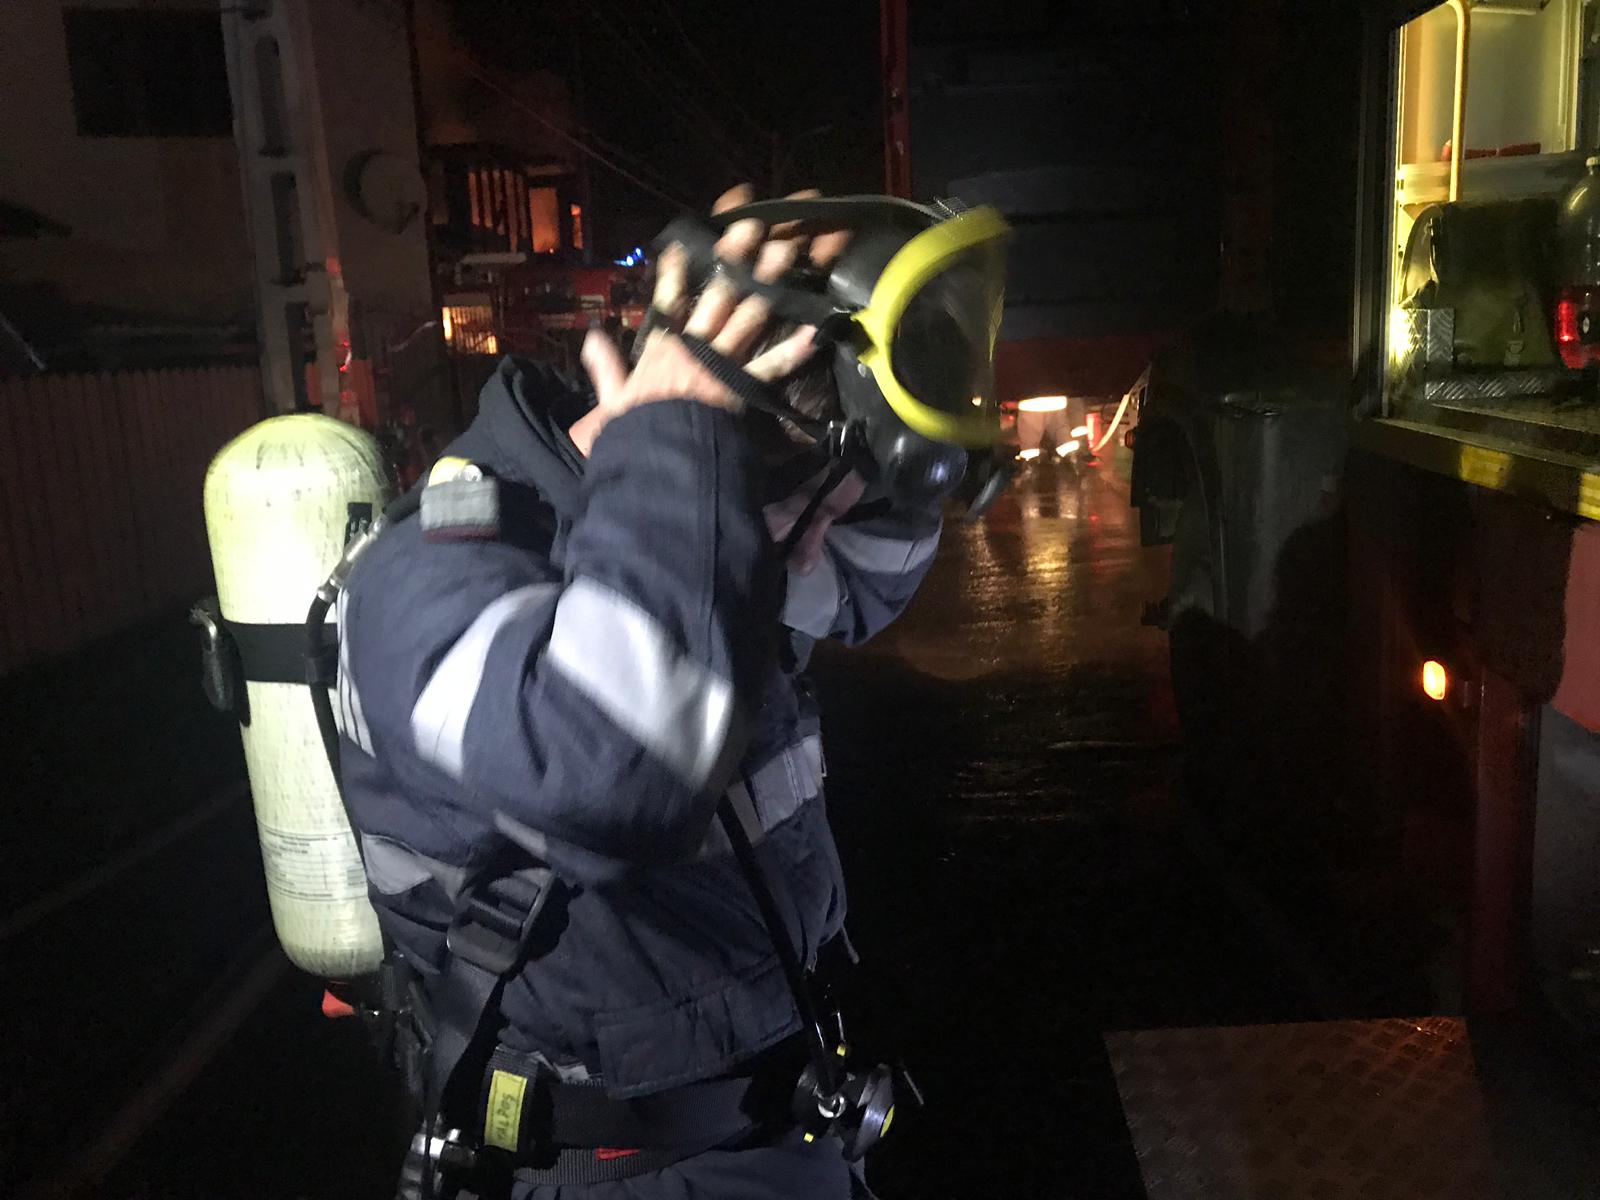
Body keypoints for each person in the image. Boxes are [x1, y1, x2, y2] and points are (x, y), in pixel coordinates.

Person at [335, 186, 947, 1199]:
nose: (818, 551)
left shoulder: (698, 517)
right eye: (814, 510)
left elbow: (865, 586)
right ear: (730, 455)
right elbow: (612, 772)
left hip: (776, 1116)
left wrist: (911, 398)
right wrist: (677, 434)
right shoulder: (430, 574)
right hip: (620, 1165)